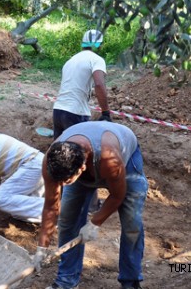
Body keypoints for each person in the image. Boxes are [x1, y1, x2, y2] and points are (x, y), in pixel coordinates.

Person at [34, 121, 147, 289]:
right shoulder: (52, 161)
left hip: (126, 158)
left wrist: (95, 223)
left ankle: (130, 282)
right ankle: (67, 281)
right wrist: (41, 246)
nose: (63, 185)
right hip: (87, 162)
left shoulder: (110, 159)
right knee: (67, 220)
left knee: (132, 222)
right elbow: (51, 206)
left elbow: (117, 196)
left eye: (67, 181)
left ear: (82, 168)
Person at [52, 29, 111, 212]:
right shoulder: (96, 60)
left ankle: (58, 198)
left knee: (61, 156)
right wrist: (106, 112)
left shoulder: (71, 60)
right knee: (85, 157)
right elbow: (99, 84)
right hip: (76, 113)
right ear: (99, 44)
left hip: (58, 110)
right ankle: (92, 205)